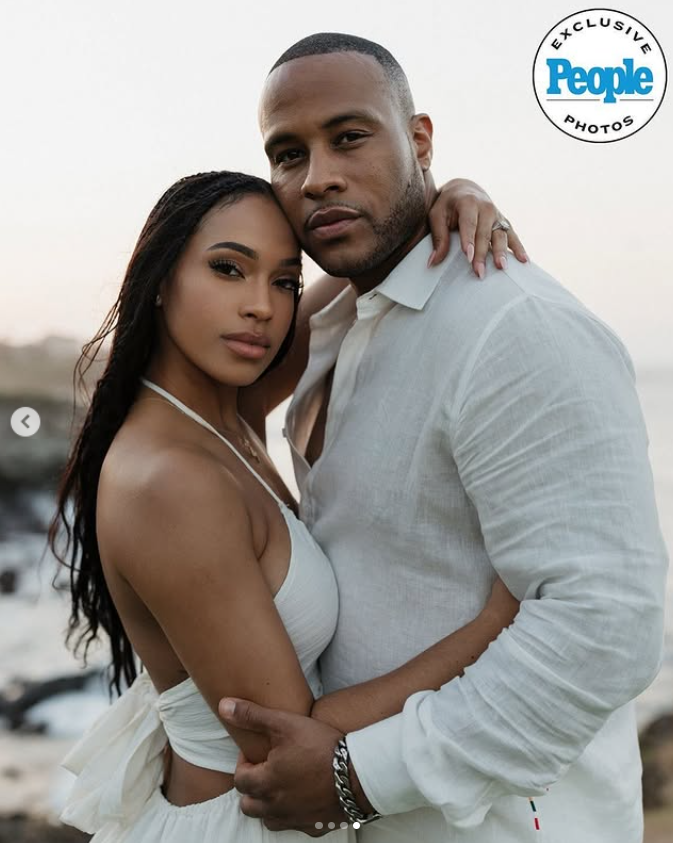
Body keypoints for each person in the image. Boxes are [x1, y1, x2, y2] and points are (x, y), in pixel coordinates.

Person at [214, 33, 670, 843]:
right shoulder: (328, 329)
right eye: (287, 154)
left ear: (418, 139)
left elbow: (607, 623)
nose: (316, 174)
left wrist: (359, 775)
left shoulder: (513, 327)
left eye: (349, 136)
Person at [51, 169, 524, 841]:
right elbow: (289, 735)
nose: (262, 308)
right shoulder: (170, 481)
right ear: (159, 280)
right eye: (227, 269)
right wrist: (496, 620)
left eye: (282, 281)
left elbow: (368, 265)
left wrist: (444, 198)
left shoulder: (224, 412)